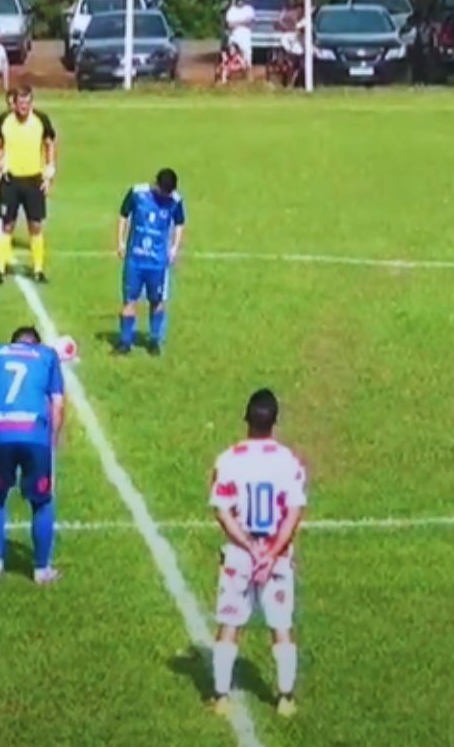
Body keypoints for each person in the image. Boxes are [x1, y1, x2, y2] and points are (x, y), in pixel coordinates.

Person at [208, 389, 308, 719]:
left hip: (239, 554)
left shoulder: (229, 459)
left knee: (230, 624)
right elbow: (294, 512)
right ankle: (286, 698)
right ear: (275, 422)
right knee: (280, 626)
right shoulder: (288, 461)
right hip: (276, 558)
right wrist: (271, 553)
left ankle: (221, 695)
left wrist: (250, 548)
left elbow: (222, 510)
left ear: (246, 420)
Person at [0, 325, 65, 585]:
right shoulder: (47, 356)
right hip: (34, 436)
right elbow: (58, 403)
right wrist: (53, 441)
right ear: (35, 343)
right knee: (42, 501)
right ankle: (42, 570)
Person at [0, 88, 57, 285]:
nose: (24, 107)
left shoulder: (41, 120)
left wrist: (49, 173)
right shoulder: (5, 121)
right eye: (20, 103)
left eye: (27, 103)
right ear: (14, 103)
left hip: (34, 181)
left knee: (35, 225)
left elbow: (50, 144)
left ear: (31, 103)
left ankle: (38, 269)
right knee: (7, 225)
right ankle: (0, 269)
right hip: (10, 181)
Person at [115, 168, 187, 355]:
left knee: (157, 301)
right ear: (155, 183)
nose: (164, 195)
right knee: (129, 300)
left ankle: (154, 340)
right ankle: (125, 342)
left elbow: (179, 223)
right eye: (162, 191)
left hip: (157, 263)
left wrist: (174, 248)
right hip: (135, 260)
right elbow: (123, 215)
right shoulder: (138, 193)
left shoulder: (175, 201)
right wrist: (121, 242)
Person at [223, 0, 256, 83]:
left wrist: (237, 23)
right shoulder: (231, 10)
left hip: (245, 34)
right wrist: (243, 22)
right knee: (231, 53)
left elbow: (251, 22)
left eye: (242, 0)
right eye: (239, 0)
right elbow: (230, 24)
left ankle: (249, 74)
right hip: (234, 34)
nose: (240, 2)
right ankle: (227, 74)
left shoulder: (249, 9)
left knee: (247, 53)